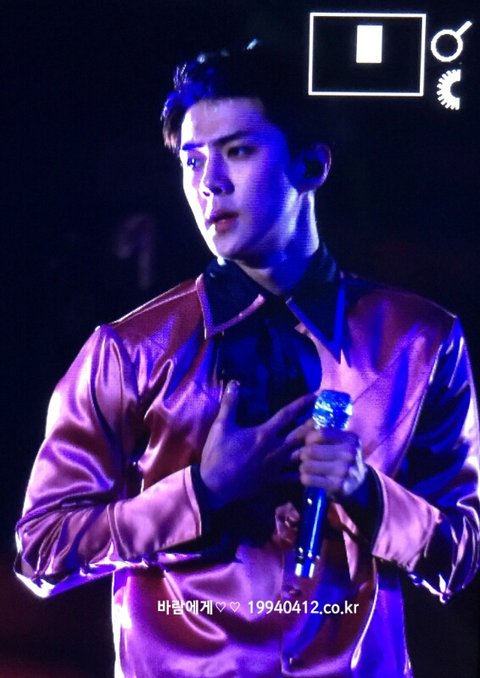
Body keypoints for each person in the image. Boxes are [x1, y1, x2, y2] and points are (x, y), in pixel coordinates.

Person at [15, 43, 480, 677]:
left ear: (311, 165)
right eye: (192, 159)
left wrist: (366, 493)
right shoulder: (129, 351)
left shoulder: (421, 343)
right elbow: (41, 550)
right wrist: (200, 492)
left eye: (237, 151)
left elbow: (461, 555)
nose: (209, 182)